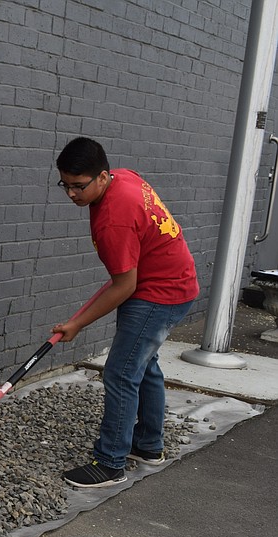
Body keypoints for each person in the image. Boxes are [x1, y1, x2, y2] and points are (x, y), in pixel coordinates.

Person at [52, 137, 199, 488]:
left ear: (102, 177)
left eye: (78, 186)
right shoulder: (123, 177)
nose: (71, 194)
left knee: (120, 372)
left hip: (159, 293)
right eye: (65, 185)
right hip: (174, 281)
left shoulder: (113, 220)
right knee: (143, 364)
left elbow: (124, 286)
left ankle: (110, 463)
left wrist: (76, 324)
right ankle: (148, 446)